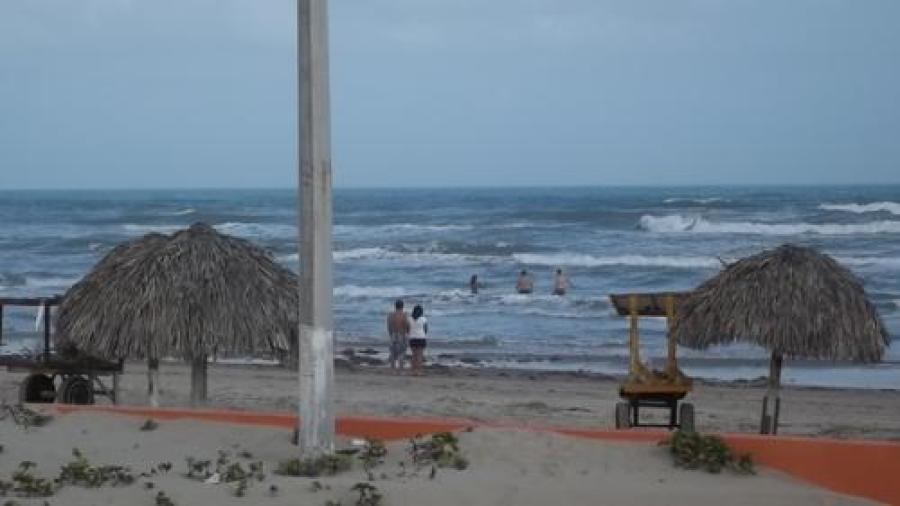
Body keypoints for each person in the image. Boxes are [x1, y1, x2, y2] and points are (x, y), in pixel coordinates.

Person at [386, 299, 410, 371]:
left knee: (393, 353)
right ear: (402, 306)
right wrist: (407, 333)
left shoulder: (390, 315)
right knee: (402, 352)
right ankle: (400, 368)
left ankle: (393, 368)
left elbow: (389, 326)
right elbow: (407, 325)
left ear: (395, 306)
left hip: (393, 334)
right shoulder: (404, 315)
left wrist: (391, 334)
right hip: (401, 335)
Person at [408, 304, 428, 375]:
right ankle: (419, 371)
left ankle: (413, 371)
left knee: (414, 355)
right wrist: (423, 334)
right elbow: (425, 329)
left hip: (412, 338)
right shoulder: (423, 319)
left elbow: (408, 329)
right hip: (421, 338)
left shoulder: (409, 319)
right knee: (420, 355)